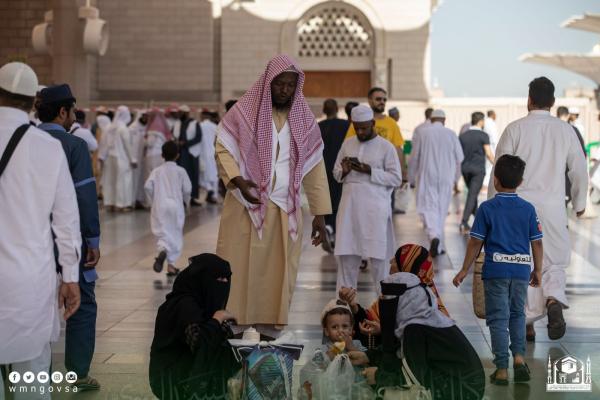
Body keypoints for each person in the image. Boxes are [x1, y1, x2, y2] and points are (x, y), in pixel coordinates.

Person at [215, 54, 331, 332]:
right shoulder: (245, 112)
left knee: (278, 274)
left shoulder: (304, 120)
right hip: (245, 206)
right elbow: (223, 147)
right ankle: (234, 325)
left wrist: (320, 215)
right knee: (237, 268)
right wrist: (238, 181)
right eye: (280, 84)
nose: (285, 90)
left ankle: (269, 326)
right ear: (269, 83)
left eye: (291, 85)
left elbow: (315, 168)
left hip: (284, 210)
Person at [0, 62, 81, 399]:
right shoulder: (48, 148)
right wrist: (71, 276)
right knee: (31, 377)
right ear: (32, 101)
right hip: (28, 282)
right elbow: (66, 220)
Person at [489, 77, 588, 341]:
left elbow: (498, 169)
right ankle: (553, 300)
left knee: (524, 263)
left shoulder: (514, 129)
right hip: (553, 208)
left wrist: (492, 207)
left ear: (529, 100)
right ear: (553, 103)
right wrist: (579, 203)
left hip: (517, 209)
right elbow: (578, 169)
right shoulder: (565, 130)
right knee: (553, 261)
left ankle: (526, 322)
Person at [454, 154, 543, 385]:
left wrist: (464, 269)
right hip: (522, 271)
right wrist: (538, 270)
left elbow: (475, 241)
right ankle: (520, 359)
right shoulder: (528, 209)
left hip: (496, 271)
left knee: (497, 318)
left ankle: (502, 368)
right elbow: (537, 242)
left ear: (495, 180)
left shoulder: (487, 208)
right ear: (521, 181)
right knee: (517, 315)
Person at [37, 84, 102, 391]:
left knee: (37, 307)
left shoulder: (26, 141)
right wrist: (93, 240)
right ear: (63, 112)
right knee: (82, 305)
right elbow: (85, 196)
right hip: (68, 239)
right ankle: (77, 374)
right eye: (73, 111)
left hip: (31, 241)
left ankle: (36, 375)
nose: (74, 116)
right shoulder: (73, 146)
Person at [351, 272, 485, 400]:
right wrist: (368, 356)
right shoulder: (423, 318)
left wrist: (378, 376)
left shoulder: (415, 327)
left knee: (391, 392)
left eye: (387, 299)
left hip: (464, 391)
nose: (383, 304)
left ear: (404, 300)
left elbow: (413, 377)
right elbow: (405, 355)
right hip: (467, 385)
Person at [149, 254, 240, 400]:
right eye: (219, 278)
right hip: (172, 383)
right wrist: (217, 320)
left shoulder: (203, 303)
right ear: (202, 279)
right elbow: (198, 343)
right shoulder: (183, 306)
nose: (224, 283)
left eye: (226, 279)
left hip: (190, 377)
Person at [333, 104, 401, 293]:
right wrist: (344, 171)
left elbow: (395, 177)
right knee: (347, 257)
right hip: (349, 209)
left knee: (379, 260)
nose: (360, 131)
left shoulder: (386, 147)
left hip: (375, 210)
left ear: (372, 123)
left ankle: (384, 307)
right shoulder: (348, 144)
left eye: (364, 127)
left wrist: (370, 170)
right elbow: (336, 172)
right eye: (357, 128)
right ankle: (345, 309)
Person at [339, 243, 450, 350]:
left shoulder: (422, 304)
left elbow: (414, 345)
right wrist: (353, 306)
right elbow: (368, 326)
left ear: (406, 270)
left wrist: (383, 332)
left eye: (396, 261)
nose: (390, 261)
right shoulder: (397, 294)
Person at [409, 109, 464, 257]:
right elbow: (460, 159)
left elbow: (414, 157)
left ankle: (434, 237)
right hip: (446, 178)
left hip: (428, 176)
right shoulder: (451, 134)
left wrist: (411, 178)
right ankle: (438, 245)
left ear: (431, 120)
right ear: (444, 120)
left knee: (428, 208)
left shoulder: (423, 132)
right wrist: (455, 179)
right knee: (441, 210)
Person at [345, 87, 409, 206]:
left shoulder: (392, 123)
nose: (382, 102)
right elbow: (348, 147)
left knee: (384, 213)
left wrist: (402, 173)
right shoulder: (359, 121)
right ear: (369, 100)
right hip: (362, 178)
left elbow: (398, 149)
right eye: (378, 99)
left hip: (385, 177)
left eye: (384, 100)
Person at [145, 141, 192, 277]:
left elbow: (147, 186)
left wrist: (152, 200)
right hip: (176, 205)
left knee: (162, 232)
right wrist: (186, 202)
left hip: (160, 205)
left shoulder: (157, 171)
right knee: (175, 232)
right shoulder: (181, 171)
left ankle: (163, 250)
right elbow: (187, 189)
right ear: (177, 155)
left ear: (162, 155)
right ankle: (171, 265)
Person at [319, 98, 349, 252]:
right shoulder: (345, 125)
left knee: (326, 199)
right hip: (339, 169)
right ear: (338, 108)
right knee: (339, 199)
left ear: (324, 110)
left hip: (322, 170)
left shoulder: (318, 126)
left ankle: (328, 226)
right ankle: (334, 229)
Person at [459, 111, 495, 233]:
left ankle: (480, 219)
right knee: (472, 195)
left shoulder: (463, 136)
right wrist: (498, 164)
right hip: (478, 170)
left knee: (472, 194)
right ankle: (464, 222)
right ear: (480, 121)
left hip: (465, 169)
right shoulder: (484, 135)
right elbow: (489, 154)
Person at [99, 105, 137, 211]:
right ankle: (122, 205)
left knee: (110, 180)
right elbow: (127, 146)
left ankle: (111, 203)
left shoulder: (109, 128)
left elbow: (104, 144)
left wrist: (102, 156)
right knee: (123, 181)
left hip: (109, 158)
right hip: (122, 158)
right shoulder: (123, 129)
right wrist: (132, 159)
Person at [557, 106, 587, 206]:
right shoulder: (573, 129)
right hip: (567, 169)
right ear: (567, 115)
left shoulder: (549, 128)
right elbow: (581, 150)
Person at [173, 105, 202, 206]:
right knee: (180, 176)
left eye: (181, 113)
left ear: (186, 113)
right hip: (179, 154)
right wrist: (176, 142)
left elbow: (198, 137)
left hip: (191, 154)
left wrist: (185, 143)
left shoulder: (194, 123)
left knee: (192, 175)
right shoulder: (176, 123)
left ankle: (192, 198)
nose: (179, 114)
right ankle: (181, 198)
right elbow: (173, 135)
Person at [144, 109, 173, 192]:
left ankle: (150, 202)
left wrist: (143, 141)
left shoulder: (153, 130)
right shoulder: (162, 128)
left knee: (150, 179)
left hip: (152, 156)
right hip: (160, 156)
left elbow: (150, 143)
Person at [197, 109, 219, 204]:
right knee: (214, 175)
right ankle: (213, 195)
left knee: (204, 174)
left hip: (203, 153)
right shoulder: (216, 127)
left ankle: (209, 191)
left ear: (203, 116)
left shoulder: (200, 126)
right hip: (213, 153)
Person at [130, 109, 149, 208]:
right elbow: (130, 145)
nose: (146, 118)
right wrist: (133, 158)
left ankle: (139, 200)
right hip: (135, 159)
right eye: (144, 116)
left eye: (147, 116)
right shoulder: (133, 128)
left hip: (143, 159)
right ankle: (131, 201)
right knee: (134, 180)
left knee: (142, 180)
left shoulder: (147, 128)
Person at [483, 110, 499, 186]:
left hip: (487, 145)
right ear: (492, 115)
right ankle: (485, 184)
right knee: (490, 165)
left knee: (487, 165)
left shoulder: (485, 122)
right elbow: (494, 137)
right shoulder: (491, 123)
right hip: (491, 146)